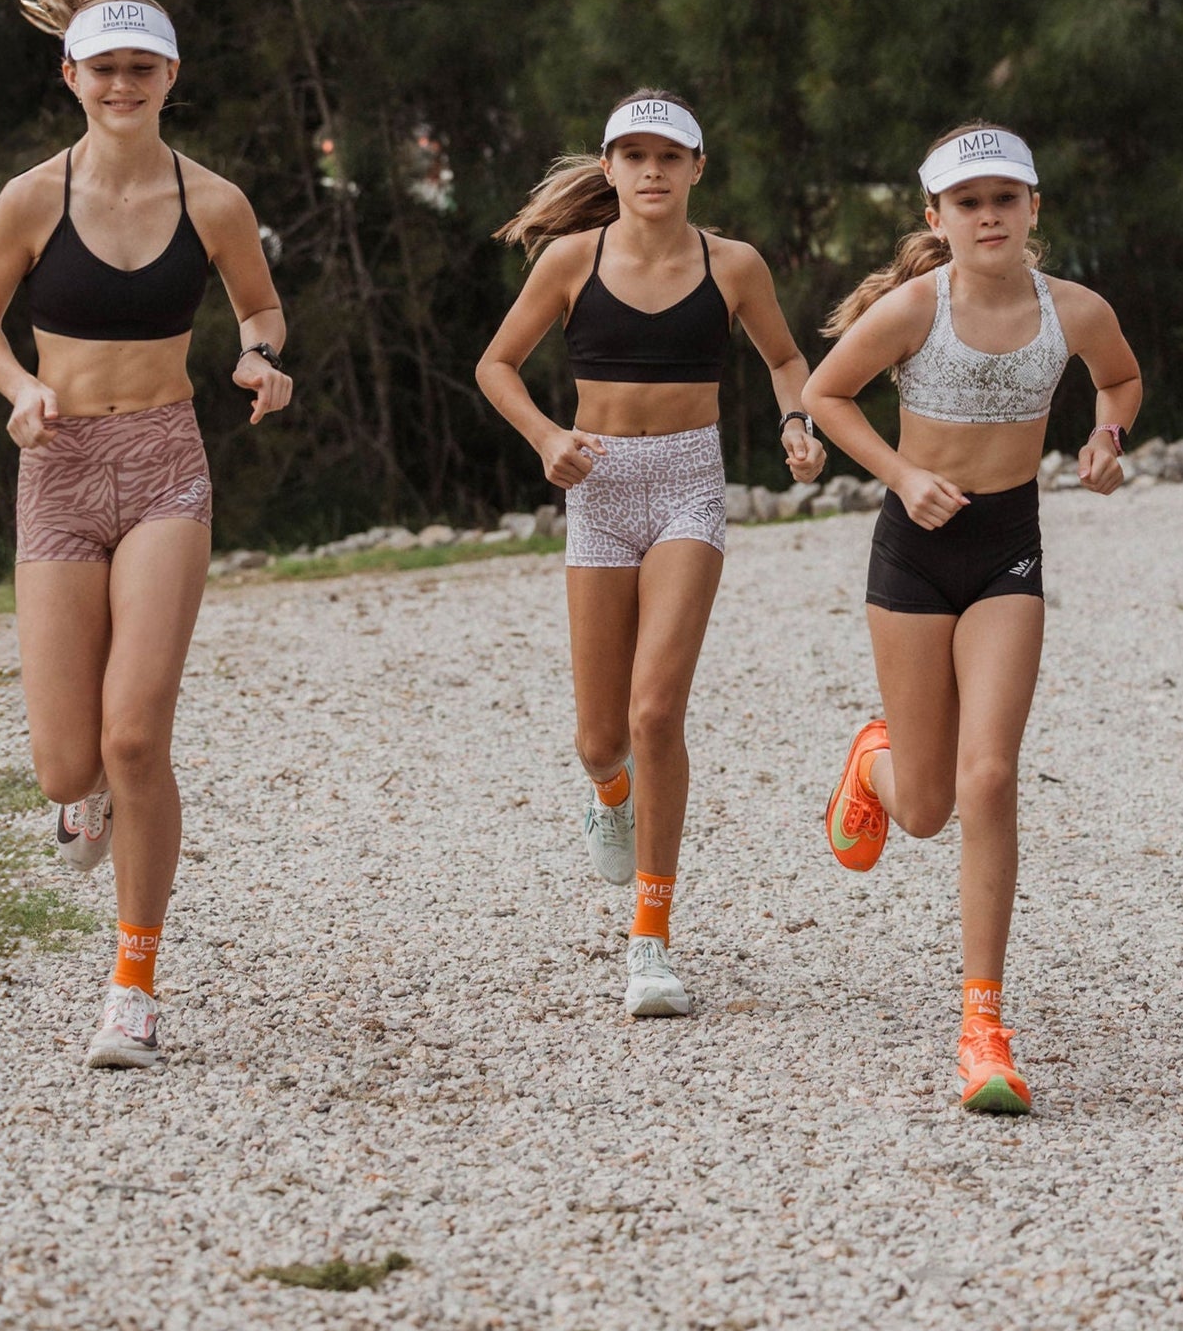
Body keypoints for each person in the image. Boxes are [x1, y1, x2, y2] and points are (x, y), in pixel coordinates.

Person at [0, 0, 293, 1068]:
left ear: (170, 79)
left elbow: (258, 307)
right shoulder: (29, 198)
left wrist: (255, 355)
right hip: (55, 469)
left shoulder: (217, 202)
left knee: (136, 739)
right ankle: (78, 796)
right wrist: (13, 387)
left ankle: (132, 985)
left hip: (161, 465)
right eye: (104, 67)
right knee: (67, 762)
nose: (122, 84)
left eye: (142, 67)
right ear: (71, 77)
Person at [803, 123, 1142, 1114]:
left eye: (1005, 197)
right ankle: (875, 759)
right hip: (912, 551)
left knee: (989, 775)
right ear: (936, 218)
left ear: (1033, 207)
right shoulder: (914, 309)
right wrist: (905, 475)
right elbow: (827, 394)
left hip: (1007, 549)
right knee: (925, 810)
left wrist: (1107, 434)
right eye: (966, 201)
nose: (987, 215)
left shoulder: (1072, 309)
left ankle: (982, 1026)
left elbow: (1118, 378)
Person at [476, 90, 825, 1018]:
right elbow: (494, 365)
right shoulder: (568, 260)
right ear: (610, 169)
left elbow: (787, 360)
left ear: (696, 168)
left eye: (669, 156)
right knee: (600, 741)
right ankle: (610, 793)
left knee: (655, 709)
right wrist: (548, 437)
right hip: (595, 484)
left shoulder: (734, 264)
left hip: (684, 483)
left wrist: (798, 419)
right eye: (633, 156)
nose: (652, 171)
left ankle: (651, 939)